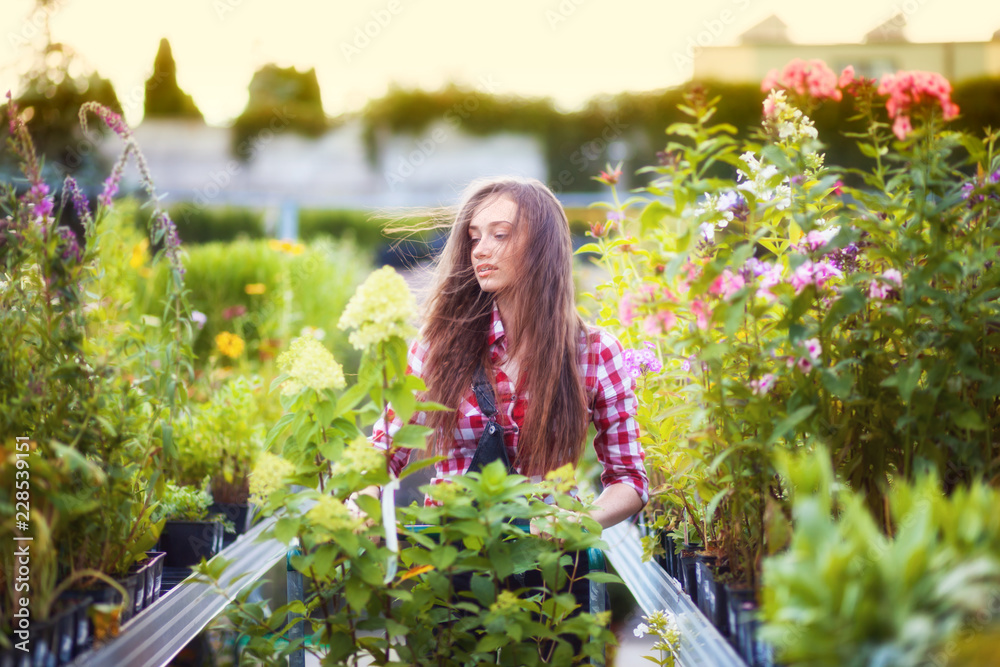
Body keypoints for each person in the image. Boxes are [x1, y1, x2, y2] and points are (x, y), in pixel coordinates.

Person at [361, 176, 647, 527]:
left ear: (542, 245)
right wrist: (364, 503)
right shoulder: (439, 346)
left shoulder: (595, 353)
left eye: (499, 234)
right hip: (452, 553)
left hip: (549, 559)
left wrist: (575, 523)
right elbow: (384, 449)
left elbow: (629, 479)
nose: (480, 249)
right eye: (475, 237)